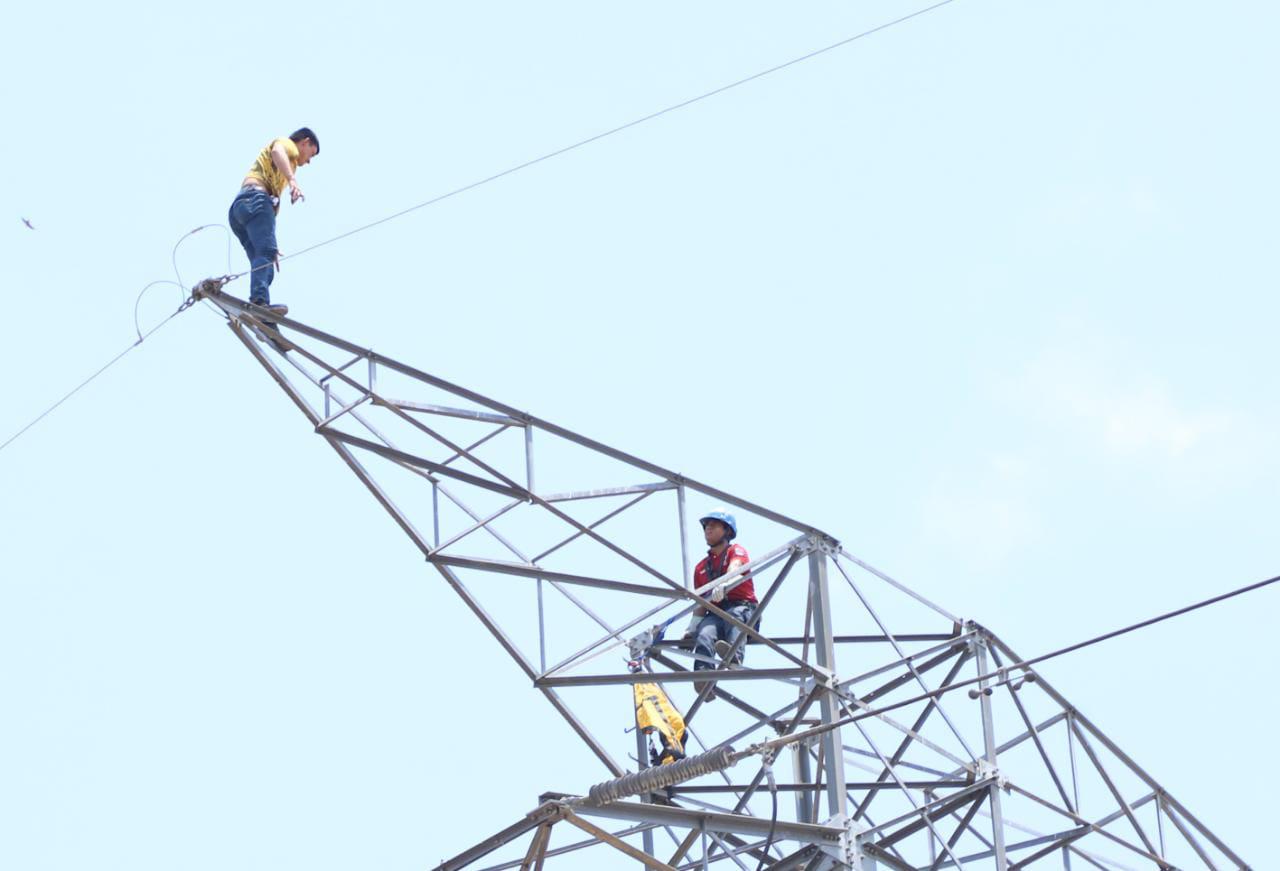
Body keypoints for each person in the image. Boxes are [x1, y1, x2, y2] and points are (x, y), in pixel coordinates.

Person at [227, 128, 320, 318]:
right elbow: (278, 150)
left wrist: (269, 246)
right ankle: (259, 303)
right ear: (305, 142)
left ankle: (264, 314)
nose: (309, 161)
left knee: (263, 261)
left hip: (239, 211)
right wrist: (292, 180)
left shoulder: (287, 163)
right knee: (265, 256)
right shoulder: (289, 146)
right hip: (256, 200)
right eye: (311, 154)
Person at [685, 509, 757, 701]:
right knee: (704, 633)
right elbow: (701, 603)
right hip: (717, 614)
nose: (708, 529)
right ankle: (704, 679)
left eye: (714, 525)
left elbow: (735, 567)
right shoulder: (701, 568)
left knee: (734, 616)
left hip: (743, 609)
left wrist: (726, 583)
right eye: (706, 526)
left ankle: (734, 655)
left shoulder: (736, 551)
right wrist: (691, 628)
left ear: (727, 531)